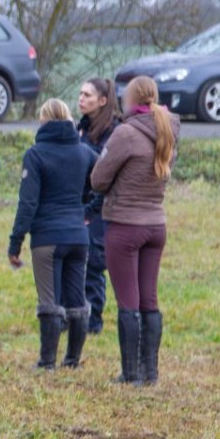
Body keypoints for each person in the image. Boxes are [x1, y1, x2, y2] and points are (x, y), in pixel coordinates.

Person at [90, 75, 177, 385]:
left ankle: (130, 374)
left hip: (126, 226)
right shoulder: (168, 128)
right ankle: (149, 372)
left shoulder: (125, 134)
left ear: (131, 100)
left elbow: (98, 179)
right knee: (149, 300)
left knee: (128, 301)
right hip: (156, 224)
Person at [7, 99, 99, 369]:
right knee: (77, 301)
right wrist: (89, 211)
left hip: (47, 238)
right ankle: (72, 359)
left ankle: (47, 361)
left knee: (49, 301)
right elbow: (106, 182)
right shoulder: (84, 152)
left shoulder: (36, 154)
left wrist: (15, 242)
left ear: (43, 121)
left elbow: (28, 204)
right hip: (78, 237)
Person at [75, 78, 121, 334]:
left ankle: (93, 320)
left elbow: (106, 172)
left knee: (94, 261)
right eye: (80, 94)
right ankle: (69, 314)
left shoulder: (113, 132)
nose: (81, 99)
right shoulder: (78, 128)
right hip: (77, 201)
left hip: (100, 204)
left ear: (102, 101)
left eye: (88, 95)